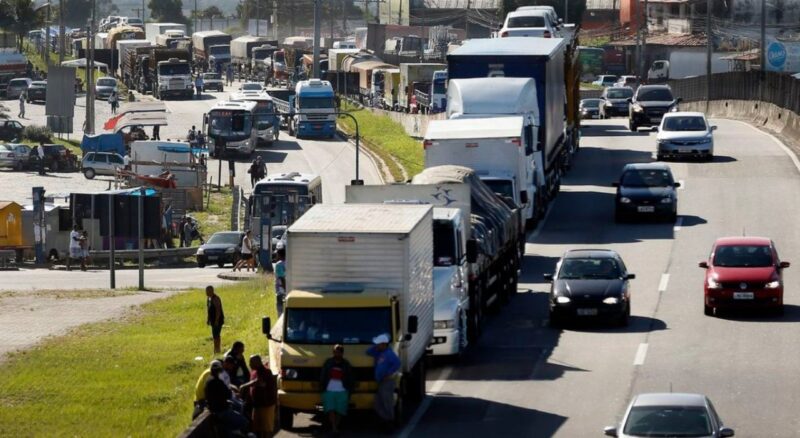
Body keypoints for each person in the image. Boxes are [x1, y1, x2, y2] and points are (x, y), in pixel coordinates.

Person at [367, 334, 401, 430]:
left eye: (378, 344)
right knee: (378, 403)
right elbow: (368, 351)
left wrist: (388, 373)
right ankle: (385, 420)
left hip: (387, 382)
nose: (376, 345)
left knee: (387, 402)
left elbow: (397, 363)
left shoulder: (389, 354)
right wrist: (376, 347)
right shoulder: (379, 353)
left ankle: (389, 422)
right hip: (381, 382)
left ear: (383, 344)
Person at [205, 360, 248, 435]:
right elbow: (227, 394)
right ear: (219, 371)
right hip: (222, 410)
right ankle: (235, 432)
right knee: (244, 422)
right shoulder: (218, 382)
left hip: (214, 409)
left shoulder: (208, 380)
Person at [320, 344, 355, 435]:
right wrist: (322, 387)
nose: (336, 354)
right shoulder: (328, 362)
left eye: (338, 352)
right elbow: (323, 375)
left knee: (340, 410)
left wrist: (350, 388)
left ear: (342, 353)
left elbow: (350, 377)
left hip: (342, 390)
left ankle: (336, 425)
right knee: (330, 409)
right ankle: (334, 427)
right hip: (329, 389)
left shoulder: (346, 364)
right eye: (335, 352)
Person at [240, 355, 277, 438]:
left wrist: (243, 386)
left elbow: (259, 382)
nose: (249, 364)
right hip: (257, 405)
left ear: (257, 363)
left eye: (251, 362)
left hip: (266, 405)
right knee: (257, 428)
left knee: (266, 429)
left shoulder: (266, 372)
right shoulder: (254, 372)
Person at [206, 285, 225, 354]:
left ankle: (217, 349)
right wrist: (208, 319)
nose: (206, 293)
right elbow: (208, 309)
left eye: (208, 291)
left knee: (216, 335)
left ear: (212, 291)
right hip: (212, 320)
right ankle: (215, 349)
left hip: (218, 320)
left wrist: (217, 320)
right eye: (206, 291)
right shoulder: (208, 298)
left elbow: (218, 310)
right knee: (214, 335)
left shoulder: (216, 298)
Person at [274, 248, 286, 315]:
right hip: (288, 288)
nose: (276, 256)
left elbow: (281, 278)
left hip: (281, 289)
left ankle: (280, 320)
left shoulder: (278, 264)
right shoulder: (288, 263)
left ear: (279, 255)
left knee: (280, 307)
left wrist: (285, 288)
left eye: (277, 254)